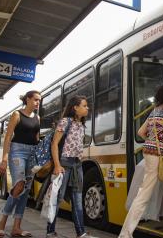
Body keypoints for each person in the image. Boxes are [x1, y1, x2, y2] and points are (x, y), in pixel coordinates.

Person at [119, 84, 163, 238]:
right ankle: (125, 234)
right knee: (145, 194)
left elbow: (141, 132)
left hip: (149, 153)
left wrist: (153, 141)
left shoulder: (154, 110)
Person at [46, 95, 97, 238]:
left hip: (77, 165)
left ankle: (81, 233)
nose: (87, 108)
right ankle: (50, 231)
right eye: (84, 105)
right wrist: (57, 165)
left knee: (77, 200)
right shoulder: (65, 121)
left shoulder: (81, 125)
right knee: (57, 198)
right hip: (64, 163)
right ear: (75, 107)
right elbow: (54, 144)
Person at [0, 90, 41, 238]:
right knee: (19, 185)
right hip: (17, 151)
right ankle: (2, 223)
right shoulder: (17, 114)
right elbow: (8, 137)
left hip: (32, 153)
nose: (37, 103)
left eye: (39, 100)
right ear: (27, 99)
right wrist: (4, 159)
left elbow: (37, 138)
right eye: (35, 100)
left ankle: (16, 228)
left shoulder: (37, 117)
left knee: (25, 190)